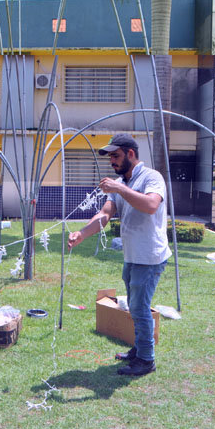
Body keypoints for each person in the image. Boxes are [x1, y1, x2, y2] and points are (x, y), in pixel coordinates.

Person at [67, 133, 171, 376]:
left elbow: (151, 205)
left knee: (140, 307)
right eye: (110, 157)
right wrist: (82, 233)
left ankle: (146, 360)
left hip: (150, 256)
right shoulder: (119, 182)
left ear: (130, 154)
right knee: (135, 308)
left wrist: (120, 188)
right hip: (133, 255)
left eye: (115, 156)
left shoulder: (151, 177)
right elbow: (105, 214)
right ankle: (140, 349)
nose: (112, 161)